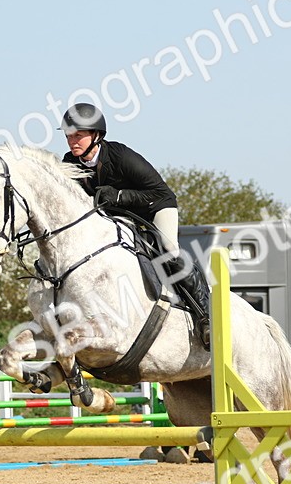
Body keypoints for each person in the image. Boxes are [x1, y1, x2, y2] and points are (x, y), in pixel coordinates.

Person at [58, 102, 210, 347]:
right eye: (69, 136)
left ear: (96, 135)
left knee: (169, 250)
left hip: (154, 208)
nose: (72, 141)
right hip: (117, 219)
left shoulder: (120, 156)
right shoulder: (69, 163)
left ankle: (205, 315)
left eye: (79, 135)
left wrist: (120, 196)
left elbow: (160, 192)